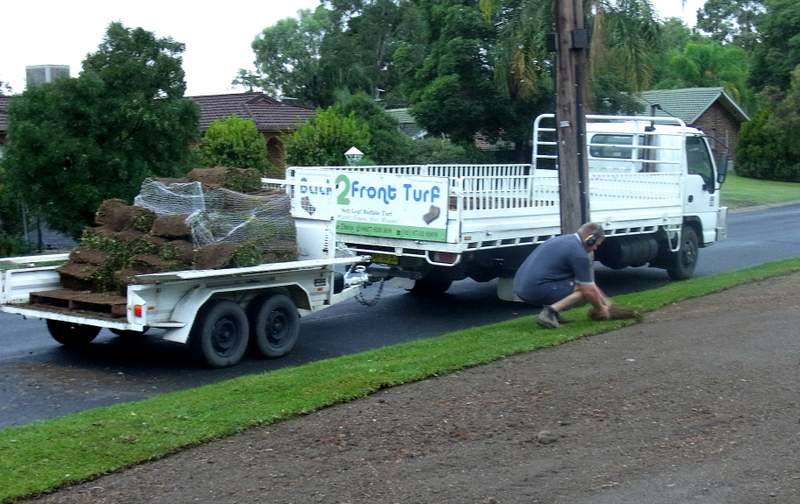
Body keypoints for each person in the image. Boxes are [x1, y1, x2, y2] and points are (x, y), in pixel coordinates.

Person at [513, 222, 612, 328]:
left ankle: (554, 313)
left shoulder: (563, 240)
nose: (595, 248)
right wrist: (600, 309)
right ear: (590, 240)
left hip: (521, 287)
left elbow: (590, 284)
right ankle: (549, 314)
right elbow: (588, 290)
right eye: (596, 244)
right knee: (584, 292)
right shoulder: (579, 254)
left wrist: (607, 303)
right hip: (534, 290)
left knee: (581, 286)